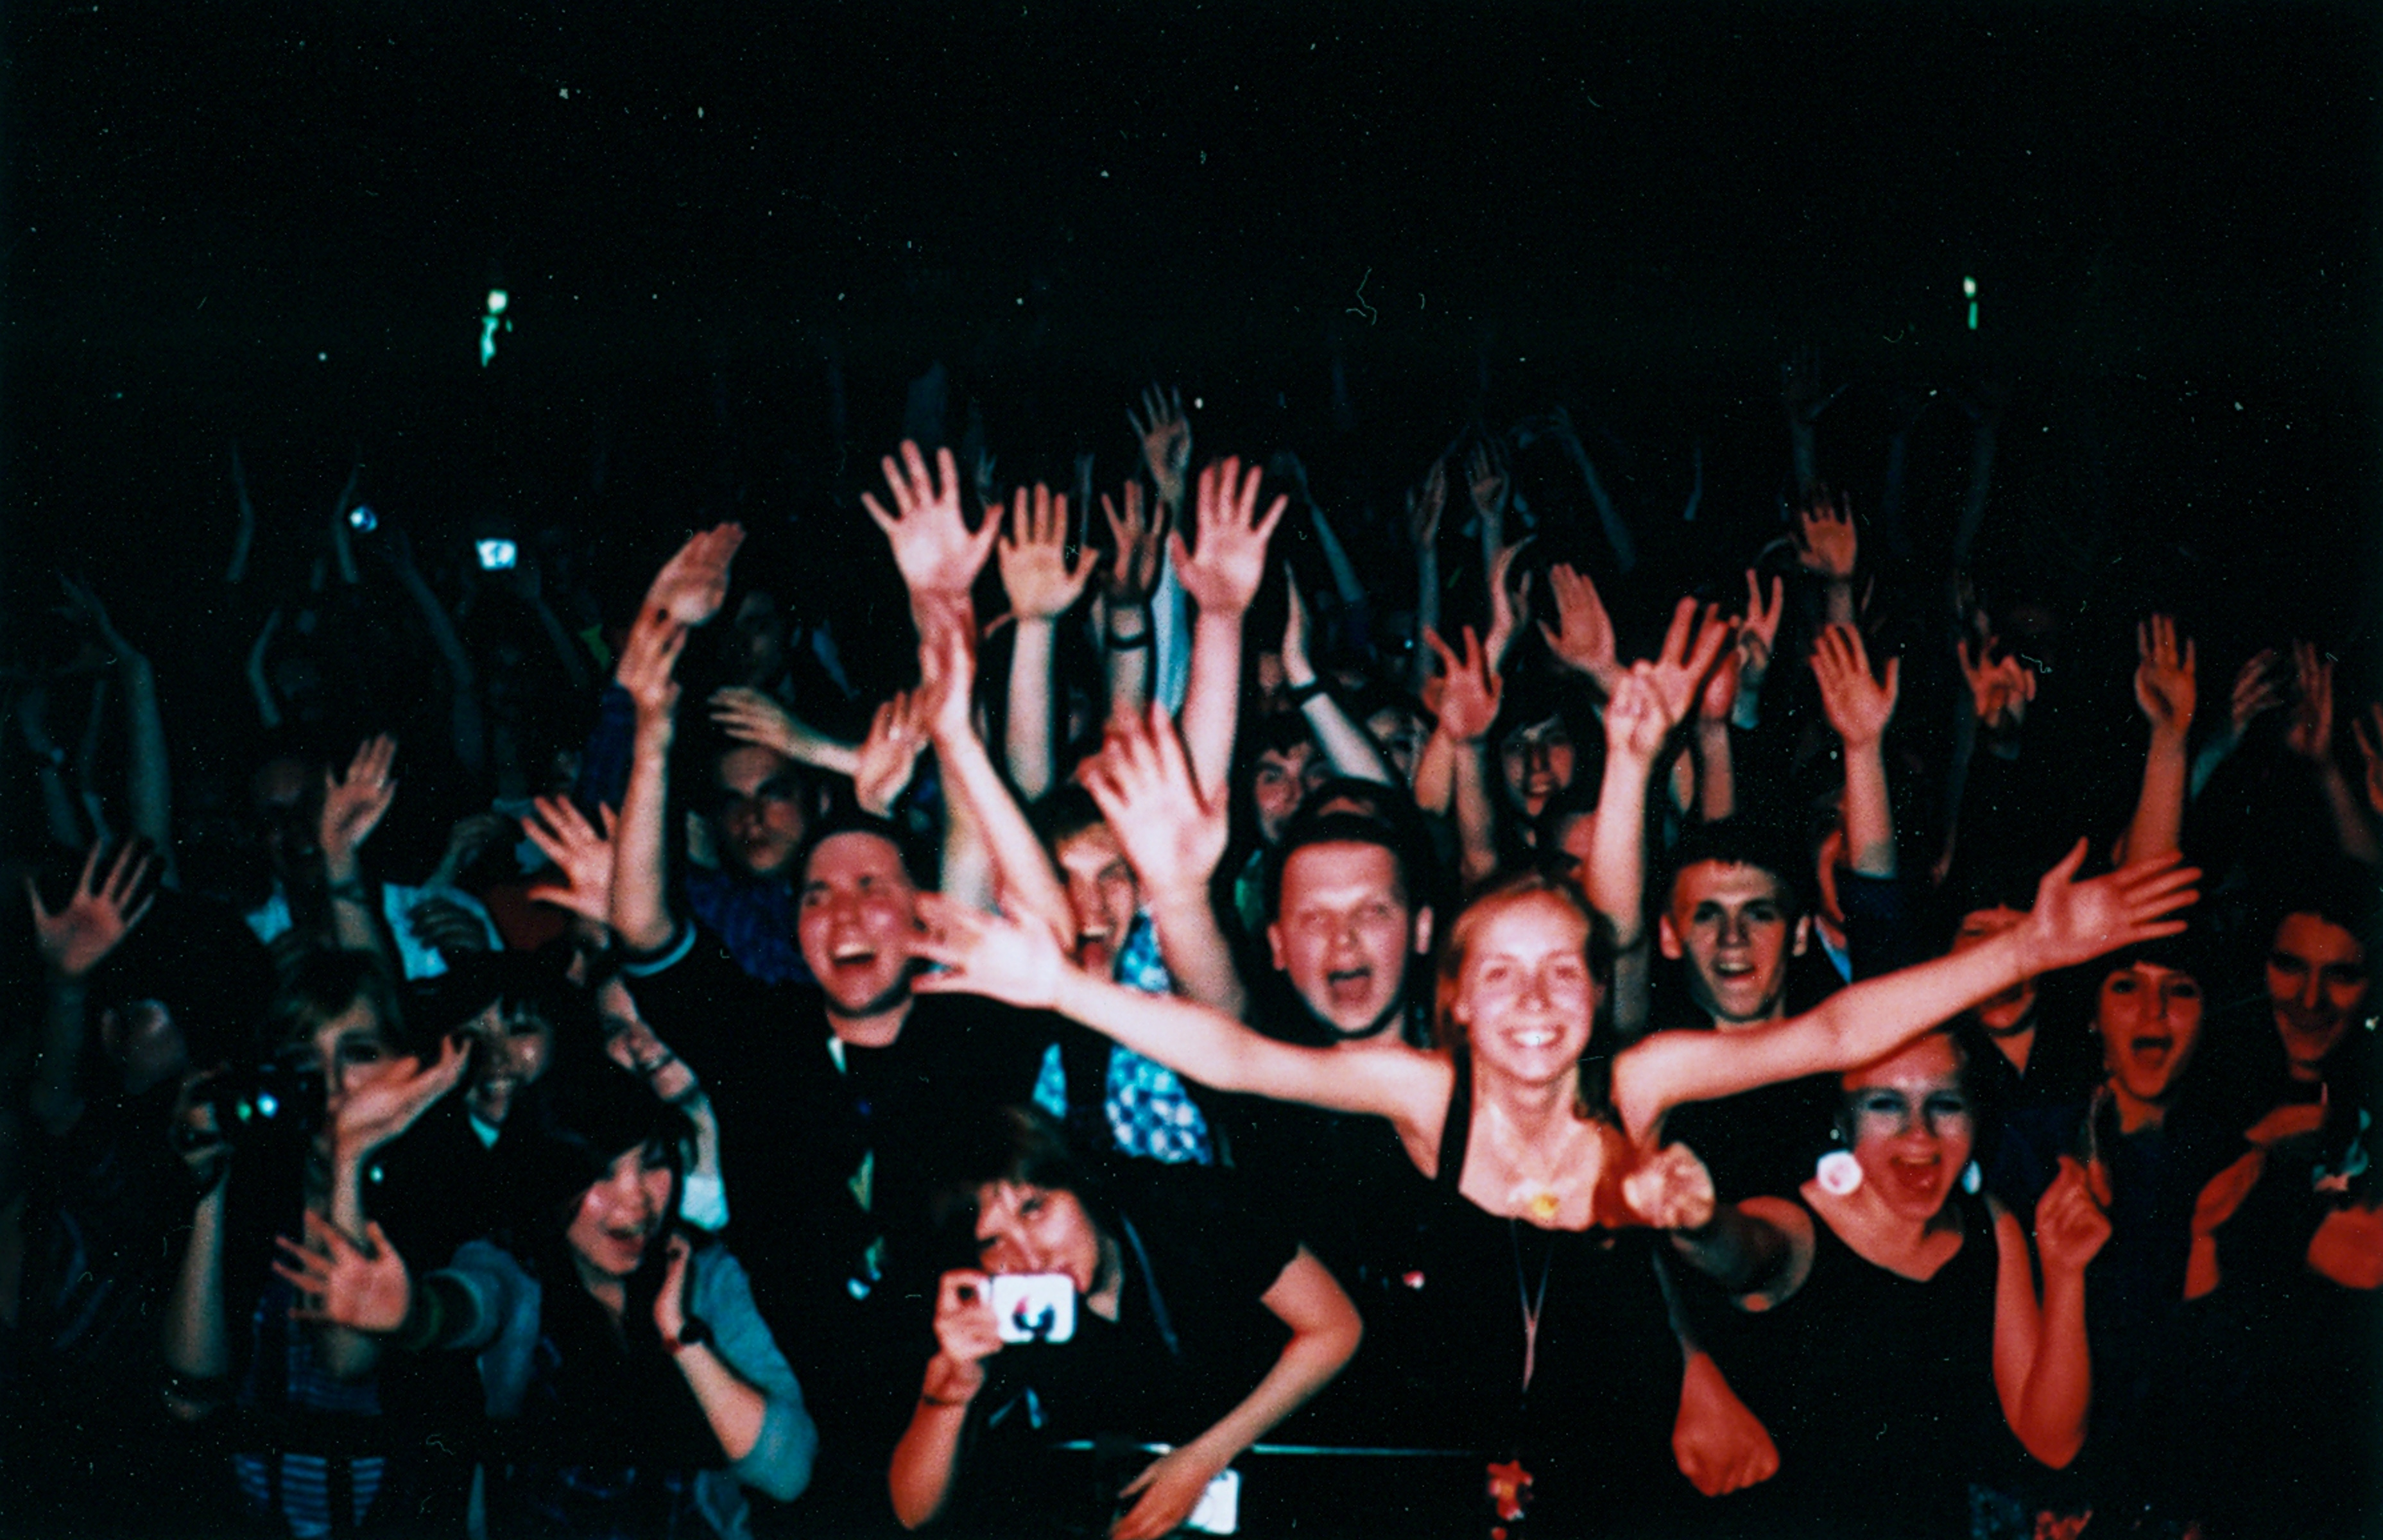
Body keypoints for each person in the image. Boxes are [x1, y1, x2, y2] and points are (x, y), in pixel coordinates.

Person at [273, 1053, 816, 1538]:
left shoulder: (708, 1276)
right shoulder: (516, 1270)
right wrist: (412, 1315)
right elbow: (469, 1305)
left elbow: (788, 1472)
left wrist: (681, 1337)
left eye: (651, 1163)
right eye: (599, 1173)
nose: (635, 1202)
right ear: (549, 1180)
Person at [1673, 1031, 2112, 1537]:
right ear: (1842, 1122)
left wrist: (2064, 1273)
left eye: (1945, 1104)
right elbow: (1738, 1249)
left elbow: (2051, 1440)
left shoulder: (1991, 1227)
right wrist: (1697, 1223)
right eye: (1884, 1105)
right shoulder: (1794, 1224)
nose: (1919, 1135)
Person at [886, 1104, 1361, 1539]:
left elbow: (1334, 1328)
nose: (1029, 1256)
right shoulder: (999, 1305)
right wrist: (947, 1395)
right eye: (992, 1241)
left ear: (1077, 1183)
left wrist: (1204, 1459)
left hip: (1288, 1472)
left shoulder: (1187, 1207)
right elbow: (912, 1511)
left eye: (1035, 1208)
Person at [161, 948, 469, 1536]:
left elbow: (347, 1360)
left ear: (410, 1064)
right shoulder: (264, 1187)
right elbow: (189, 1396)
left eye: (360, 1055)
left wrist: (348, 1164)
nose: (332, 1085)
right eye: (305, 1060)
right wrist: (209, 1191)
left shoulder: (439, 1184)